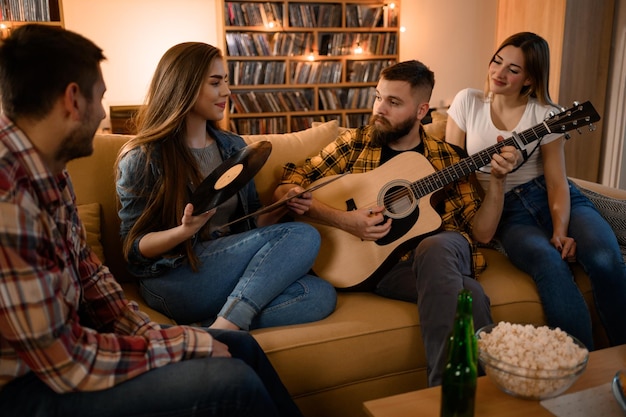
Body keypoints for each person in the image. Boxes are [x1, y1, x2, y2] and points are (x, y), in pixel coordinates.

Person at [0, 24, 304, 417]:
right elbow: (68, 363)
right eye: (101, 99)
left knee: (241, 346)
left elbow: (92, 279)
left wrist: (155, 334)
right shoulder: (8, 198)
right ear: (73, 100)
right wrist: (186, 345)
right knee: (233, 381)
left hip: (65, 356)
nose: (102, 116)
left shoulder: (51, 172)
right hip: (25, 386)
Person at [275, 60, 520, 386]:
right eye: (378, 97)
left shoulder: (447, 157)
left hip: (443, 252)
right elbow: (288, 185)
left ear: (421, 111)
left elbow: (482, 233)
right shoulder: (356, 143)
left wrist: (499, 181)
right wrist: (343, 220)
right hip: (382, 266)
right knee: (469, 296)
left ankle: (441, 394)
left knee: (435, 245)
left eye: (393, 102)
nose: (379, 109)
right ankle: (466, 398)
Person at [115, 41, 336, 331]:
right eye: (216, 82)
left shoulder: (233, 147)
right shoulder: (143, 157)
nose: (227, 92)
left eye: (227, 81)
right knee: (304, 236)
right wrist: (184, 231)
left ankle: (212, 327)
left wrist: (283, 207)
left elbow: (250, 226)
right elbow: (133, 249)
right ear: (185, 86)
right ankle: (228, 327)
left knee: (318, 295)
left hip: (225, 271)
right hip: (174, 278)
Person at [445, 31, 626, 350]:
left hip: (548, 194)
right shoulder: (467, 102)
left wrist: (561, 231)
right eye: (497, 61)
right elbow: (449, 164)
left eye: (513, 70)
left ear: (529, 79)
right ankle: (576, 363)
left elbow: (557, 182)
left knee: (604, 256)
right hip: (506, 212)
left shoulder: (546, 115)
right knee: (548, 263)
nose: (499, 73)